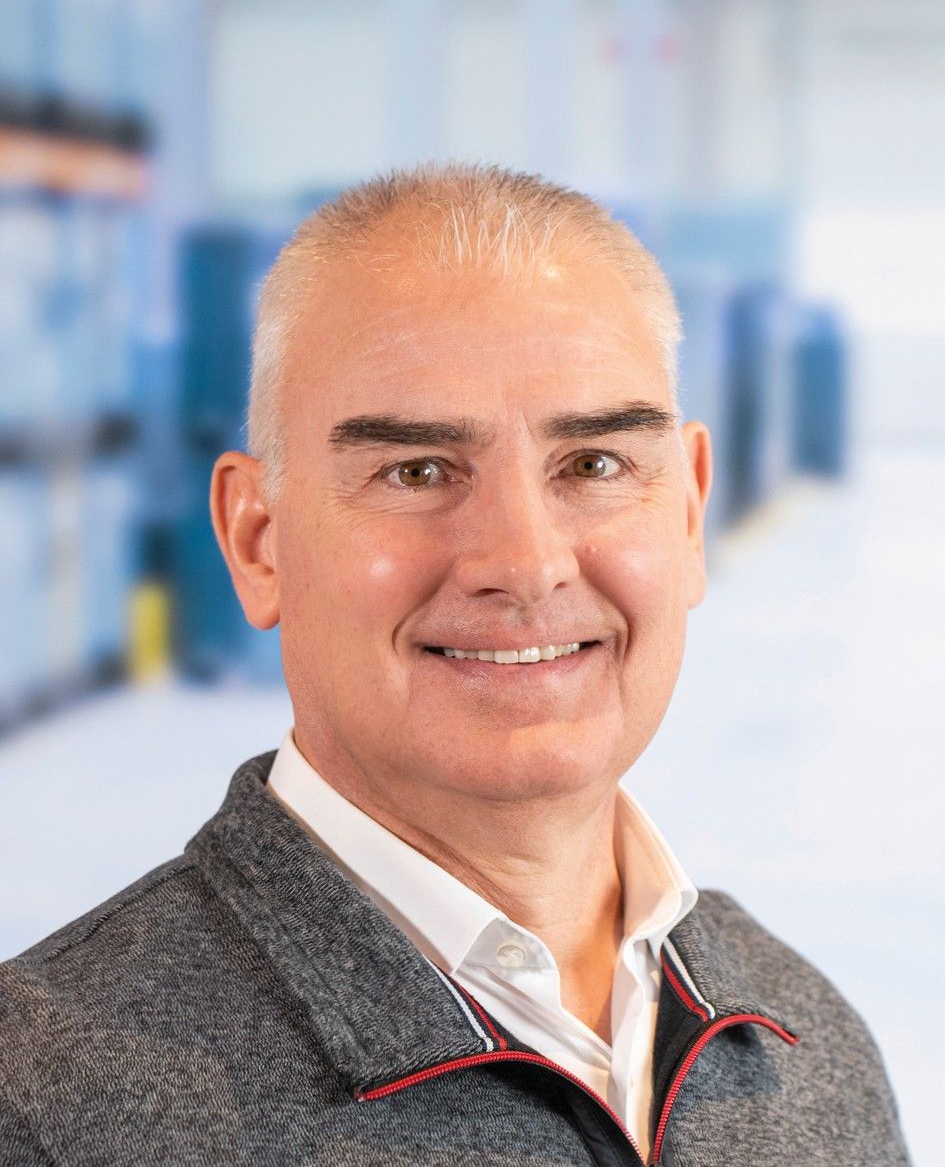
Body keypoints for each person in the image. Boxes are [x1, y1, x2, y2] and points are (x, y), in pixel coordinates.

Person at [0, 165, 909, 1167]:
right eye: (417, 471)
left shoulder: (809, 1045)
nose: (525, 561)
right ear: (257, 541)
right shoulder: (42, 1104)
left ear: (688, 512)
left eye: (594, 464)